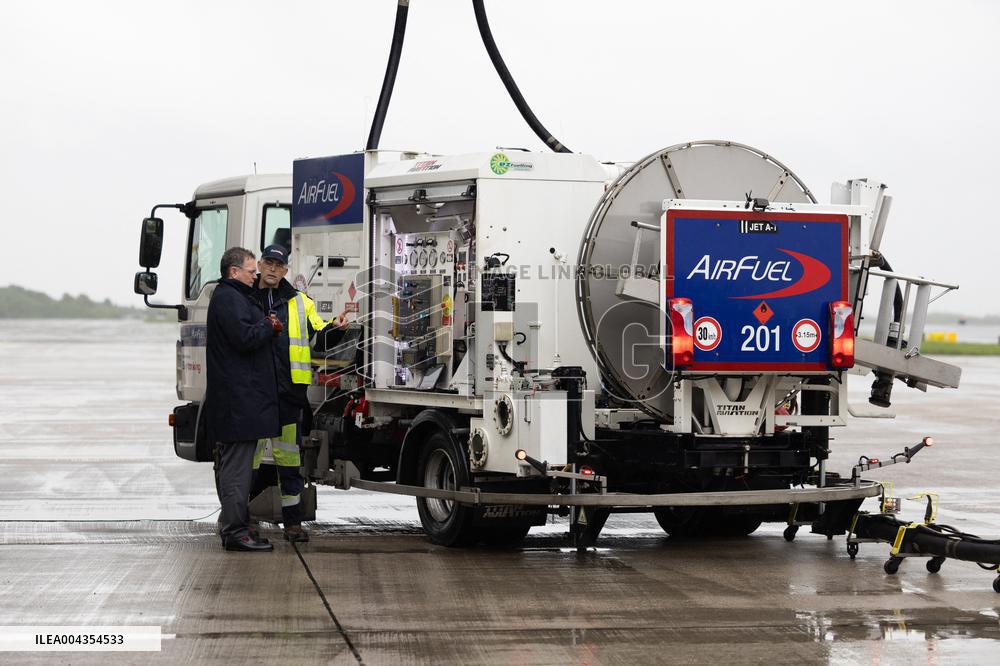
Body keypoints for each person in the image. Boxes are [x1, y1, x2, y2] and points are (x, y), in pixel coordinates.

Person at [250, 244, 346, 542]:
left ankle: (292, 523)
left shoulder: (301, 302)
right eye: (268, 262)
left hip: (288, 395)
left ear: (285, 270)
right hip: (255, 394)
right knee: (248, 462)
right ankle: (242, 519)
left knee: (289, 460)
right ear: (260, 264)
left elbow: (321, 332)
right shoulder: (245, 298)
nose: (273, 269)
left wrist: (338, 327)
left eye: (278, 265)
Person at [205, 246, 283, 552]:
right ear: (234, 271)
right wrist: (268, 325)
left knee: (238, 467)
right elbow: (244, 338)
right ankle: (236, 531)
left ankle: (238, 527)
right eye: (252, 271)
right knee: (237, 469)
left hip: (239, 402)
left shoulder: (233, 297)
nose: (256, 276)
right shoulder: (228, 298)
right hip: (238, 403)